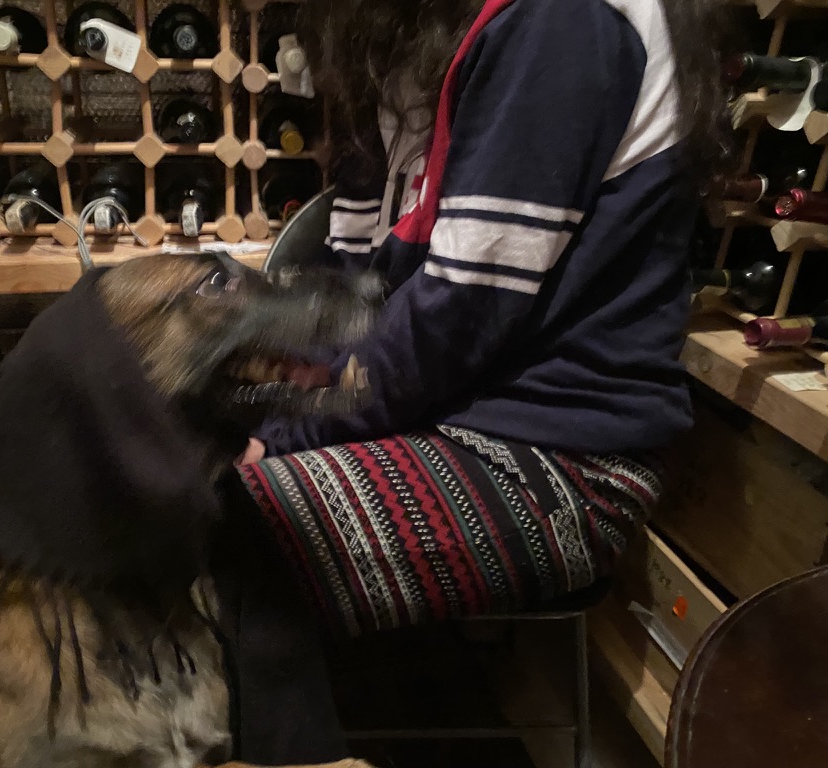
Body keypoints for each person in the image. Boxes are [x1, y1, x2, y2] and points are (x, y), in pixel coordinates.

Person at [221, 0, 728, 763]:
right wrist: (276, 394)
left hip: (558, 465)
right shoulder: (431, 42)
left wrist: (286, 432)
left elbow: (457, 316)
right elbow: (364, 288)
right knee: (185, 460)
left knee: (210, 528)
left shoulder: (560, 21)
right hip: (457, 414)